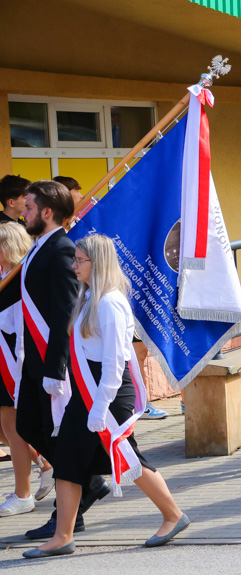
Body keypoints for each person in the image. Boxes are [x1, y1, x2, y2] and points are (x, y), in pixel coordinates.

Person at [22, 234, 189, 558]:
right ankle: (63, 535)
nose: (74, 265)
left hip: (108, 392)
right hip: (86, 392)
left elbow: (114, 362)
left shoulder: (111, 302)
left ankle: (173, 515)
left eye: (80, 260)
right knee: (67, 459)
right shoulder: (87, 298)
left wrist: (100, 407)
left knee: (127, 458)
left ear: (97, 263)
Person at [0, 180, 111, 540]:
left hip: (52, 366)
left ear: (47, 213)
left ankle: (68, 514)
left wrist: (56, 368)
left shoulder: (61, 249)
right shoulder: (38, 248)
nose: (24, 213)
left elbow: (65, 312)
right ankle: (89, 482)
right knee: (29, 428)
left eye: (29, 208)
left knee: (55, 435)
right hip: (32, 361)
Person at [0, 222, 56, 516]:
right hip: (4, 359)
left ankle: (22, 494)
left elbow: (12, 323)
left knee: (14, 429)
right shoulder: (6, 276)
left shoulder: (21, 278)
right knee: (5, 430)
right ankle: (46, 462)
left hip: (12, 362)